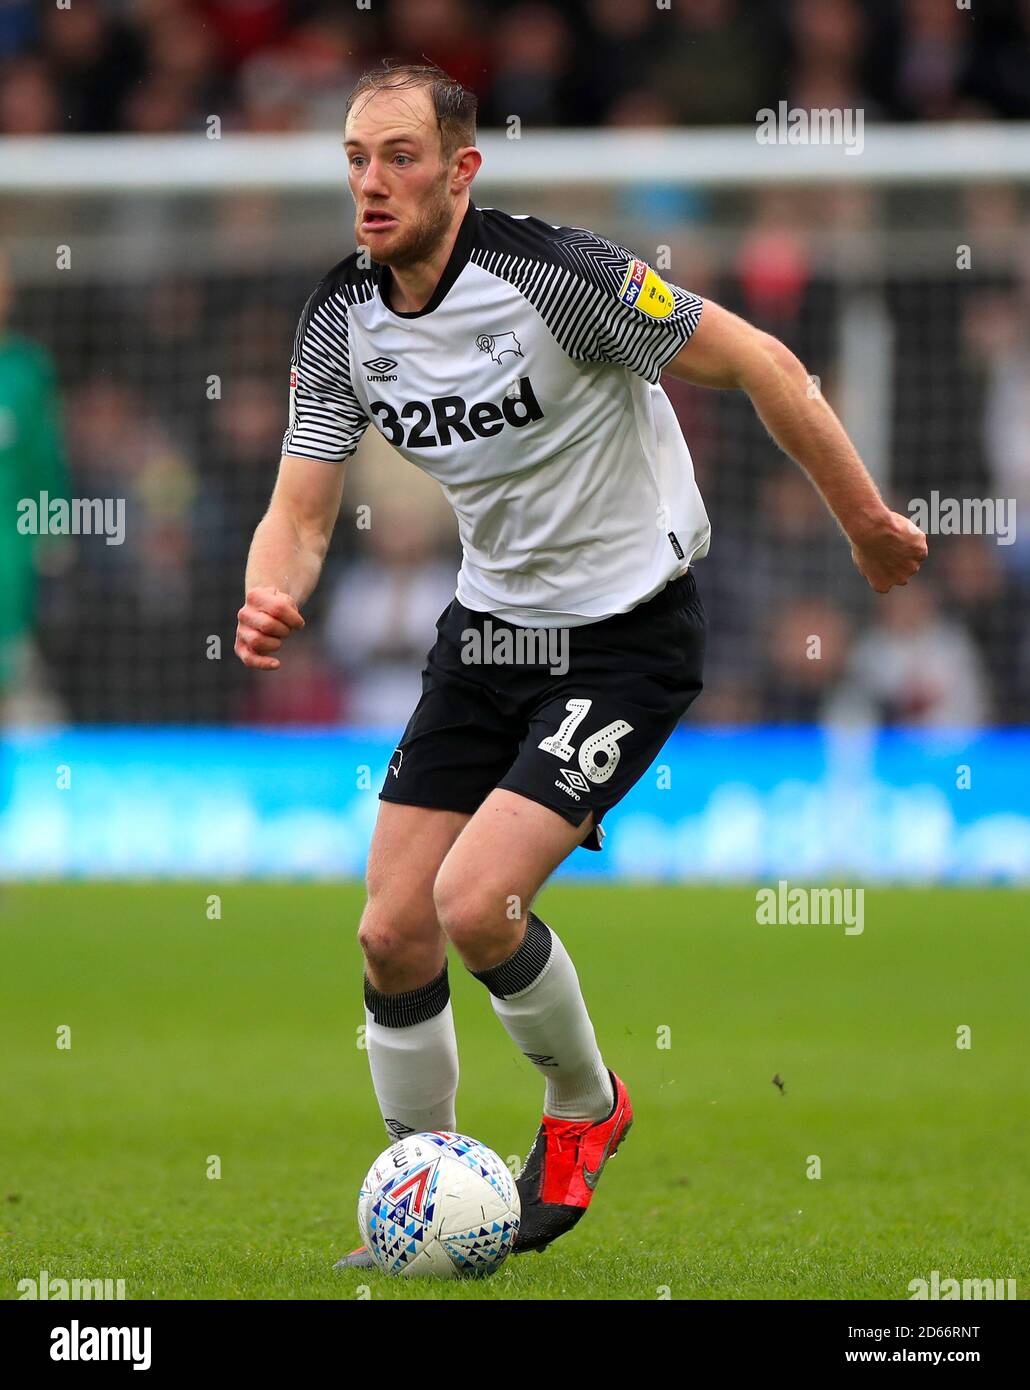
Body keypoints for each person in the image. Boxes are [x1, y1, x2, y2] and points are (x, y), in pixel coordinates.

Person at [234, 62, 926, 1266]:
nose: (371, 183)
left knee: (474, 902)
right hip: (490, 630)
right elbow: (299, 513)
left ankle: (584, 1107)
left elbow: (760, 358)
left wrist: (863, 518)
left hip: (623, 634)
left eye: (400, 156)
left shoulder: (558, 279)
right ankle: (424, 1191)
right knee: (391, 933)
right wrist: (269, 589)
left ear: (462, 171)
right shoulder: (340, 318)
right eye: (354, 158)